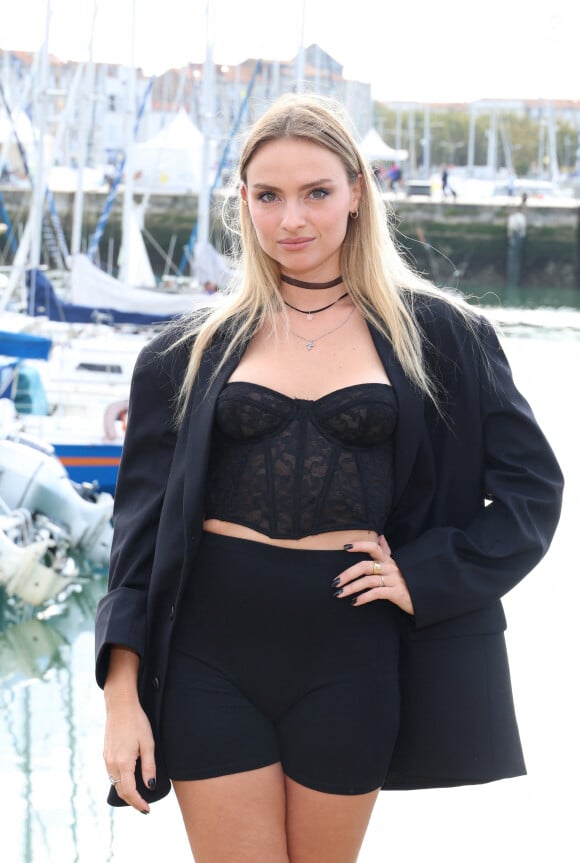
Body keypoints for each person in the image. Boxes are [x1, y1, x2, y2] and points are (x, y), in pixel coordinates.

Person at [95, 93, 563, 863]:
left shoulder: (443, 338)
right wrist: (122, 700)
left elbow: (531, 492)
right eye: (268, 195)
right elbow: (135, 544)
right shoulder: (182, 355)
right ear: (242, 201)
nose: (292, 220)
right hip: (209, 656)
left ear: (356, 192)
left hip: (354, 655)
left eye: (316, 192)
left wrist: (428, 574)